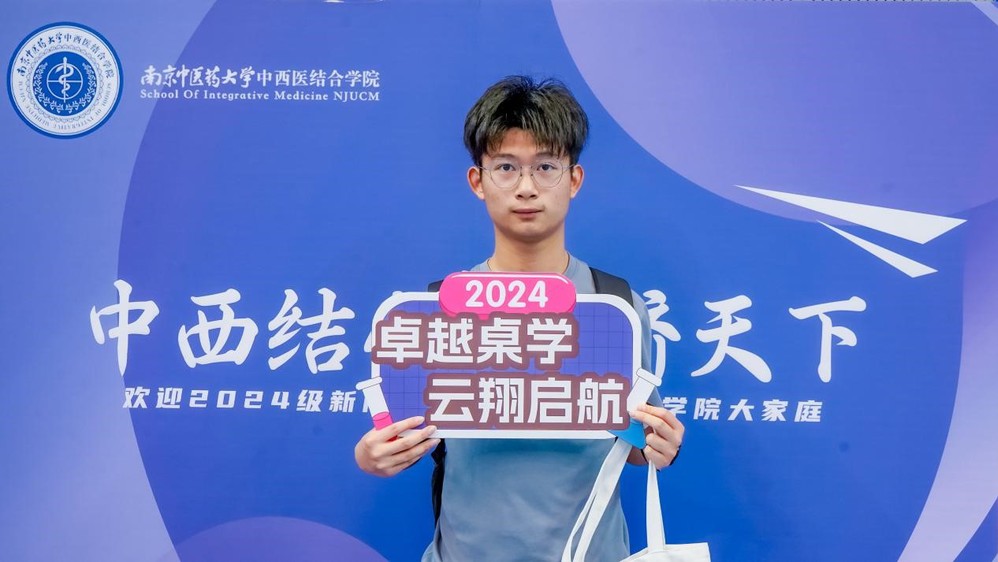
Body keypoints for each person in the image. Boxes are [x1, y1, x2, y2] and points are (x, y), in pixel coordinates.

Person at [354, 75, 684, 561]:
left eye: (546, 167)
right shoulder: (437, 308)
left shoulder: (615, 304)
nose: (526, 188)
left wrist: (661, 443)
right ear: (478, 181)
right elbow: (398, 433)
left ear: (574, 179)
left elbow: (634, 442)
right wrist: (372, 455)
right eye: (506, 167)